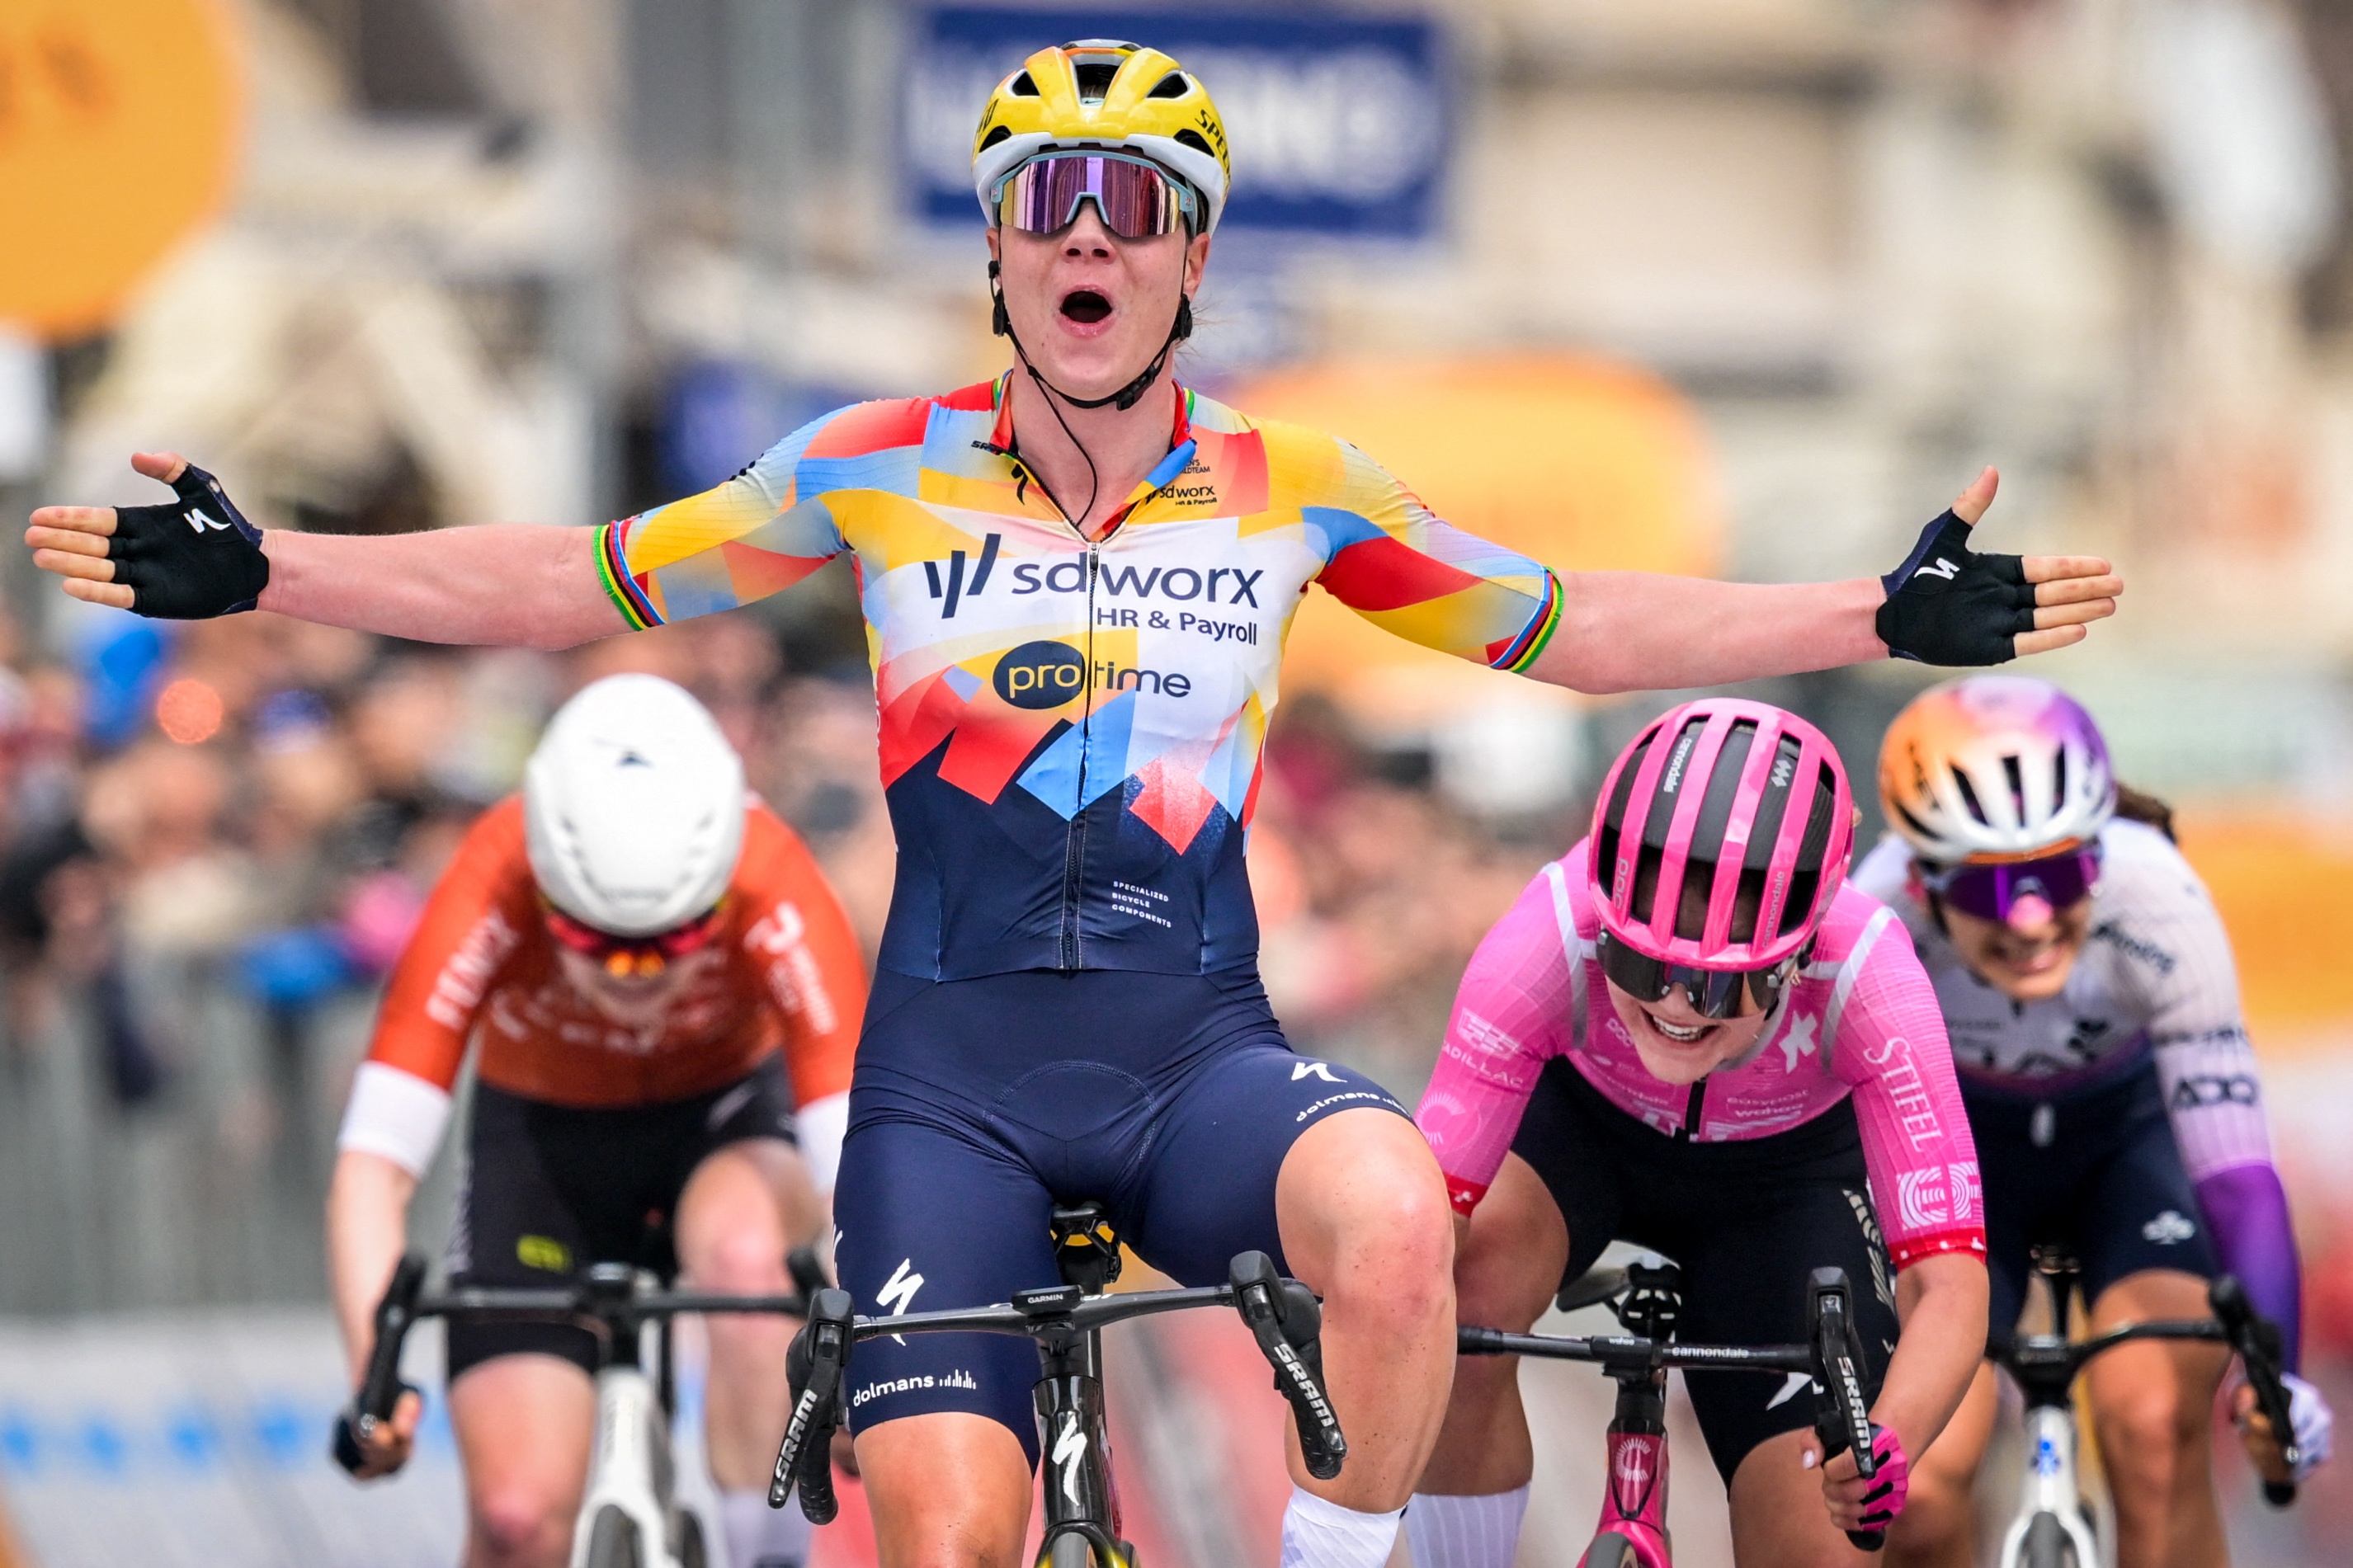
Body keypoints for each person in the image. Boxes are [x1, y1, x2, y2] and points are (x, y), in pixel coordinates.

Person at [26, 40, 2121, 1568]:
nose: (1090, 236)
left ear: (1189, 260)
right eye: (1049, 202)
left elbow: (1566, 627)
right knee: (943, 1545)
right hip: (947, 1095)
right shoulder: (867, 464)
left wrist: (1867, 604)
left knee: (1402, 1215)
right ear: (1004, 259)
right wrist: (283, 570)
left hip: (1194, 1060)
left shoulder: (1294, 486)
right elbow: (578, 575)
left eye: (1137, 207)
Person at [1411, 699, 1988, 1567]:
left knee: (1818, 1536)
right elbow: (1422, 1230)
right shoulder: (1548, 932)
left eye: (1722, 985)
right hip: (1584, 1137)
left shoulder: (1868, 972)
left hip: (1785, 1184)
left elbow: (1947, 1284)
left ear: (1800, 952)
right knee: (1459, 1306)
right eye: (1641, 963)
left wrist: (1884, 1444)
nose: (1675, 1007)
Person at [326, 674, 867, 1568]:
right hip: (543, 1148)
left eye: (675, 939)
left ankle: (767, 1549)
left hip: (726, 1126)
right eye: (597, 943)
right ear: (546, 890)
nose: (634, 975)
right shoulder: (492, 870)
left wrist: (864, 1369)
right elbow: (372, 1166)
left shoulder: (773, 873)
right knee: (514, 1519)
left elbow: (853, 1168)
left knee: (744, 1257)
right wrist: (372, 1383)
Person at [1853, 676, 2332, 1568]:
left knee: (2151, 1427)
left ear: (2099, 856)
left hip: (2124, 1144)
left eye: (2057, 870)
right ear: (1922, 879)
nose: (2030, 916)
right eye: (1991, 889)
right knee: (1916, 1481)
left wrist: (2279, 1376)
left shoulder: (2159, 897)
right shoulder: (1874, 918)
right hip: (1963, 1154)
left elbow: (2233, 1169)